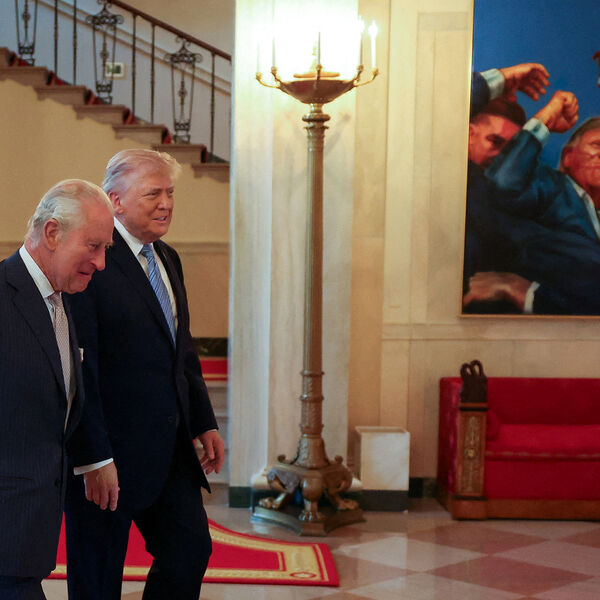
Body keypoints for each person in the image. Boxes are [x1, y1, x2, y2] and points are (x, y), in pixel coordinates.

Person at [64, 149, 225, 600]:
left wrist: (204, 420)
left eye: (170, 193)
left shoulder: (168, 257)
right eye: (153, 194)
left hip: (169, 450)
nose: (166, 204)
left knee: (188, 551)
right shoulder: (91, 259)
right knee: (97, 582)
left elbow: (181, 350)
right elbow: (81, 370)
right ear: (115, 201)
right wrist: (94, 457)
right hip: (108, 458)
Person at [0, 179, 113, 599]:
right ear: (52, 233)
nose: (101, 262)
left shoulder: (62, 300)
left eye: (106, 249)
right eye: (93, 246)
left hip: (30, 535)